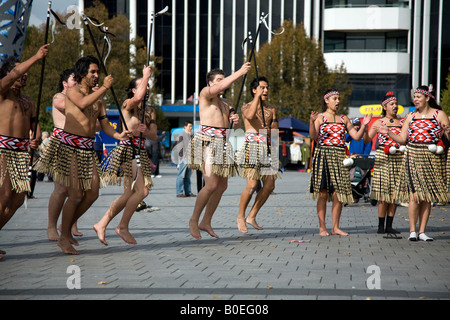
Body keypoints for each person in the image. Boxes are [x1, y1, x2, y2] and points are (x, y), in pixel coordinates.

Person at [53, 56, 130, 255]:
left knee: (93, 193)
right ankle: (64, 237)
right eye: (92, 72)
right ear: (81, 75)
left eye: (98, 72)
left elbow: (104, 125)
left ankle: (67, 228)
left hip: (88, 149)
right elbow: (82, 103)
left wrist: (119, 135)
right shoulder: (72, 91)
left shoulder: (100, 99)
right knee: (76, 194)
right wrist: (104, 88)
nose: (97, 76)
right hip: (70, 147)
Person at [377, 85, 450, 241]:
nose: (415, 99)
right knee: (414, 195)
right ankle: (412, 231)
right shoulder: (410, 116)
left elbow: (447, 139)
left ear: (427, 98)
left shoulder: (439, 114)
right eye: (414, 97)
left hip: (431, 158)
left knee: (426, 196)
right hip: (413, 155)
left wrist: (448, 133)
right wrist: (388, 133)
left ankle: (422, 231)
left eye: (418, 97)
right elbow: (403, 139)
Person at [187, 63, 251, 239]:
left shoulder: (227, 103)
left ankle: (206, 221)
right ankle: (194, 219)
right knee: (212, 184)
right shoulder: (205, 94)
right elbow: (220, 87)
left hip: (223, 143)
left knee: (222, 185)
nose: (222, 83)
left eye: (223, 79)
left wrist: (235, 121)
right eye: (218, 80)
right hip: (207, 142)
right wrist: (239, 72)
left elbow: (234, 125)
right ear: (210, 83)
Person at [94, 65, 156, 246]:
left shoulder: (149, 110)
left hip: (141, 151)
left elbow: (154, 134)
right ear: (135, 90)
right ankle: (114, 225)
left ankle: (111, 224)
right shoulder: (127, 104)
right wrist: (145, 75)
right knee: (133, 191)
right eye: (144, 85)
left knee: (139, 191)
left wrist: (146, 130)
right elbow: (137, 97)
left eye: (148, 85)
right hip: (127, 149)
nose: (148, 88)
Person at [0, 44, 49, 261]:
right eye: (21, 71)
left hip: (21, 153)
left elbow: (34, 123)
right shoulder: (2, 91)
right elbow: (15, 73)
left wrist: (36, 137)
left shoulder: (28, 101)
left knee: (19, 199)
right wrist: (37, 56)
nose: (25, 74)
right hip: (2, 150)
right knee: (3, 197)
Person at [309, 89, 372, 236]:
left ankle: (335, 227)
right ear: (326, 100)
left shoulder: (344, 119)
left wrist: (364, 125)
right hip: (323, 155)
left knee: (339, 193)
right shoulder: (320, 117)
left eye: (339, 99)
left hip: (339, 156)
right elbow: (313, 136)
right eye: (334, 99)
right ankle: (322, 227)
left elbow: (356, 136)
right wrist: (312, 122)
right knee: (323, 193)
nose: (337, 101)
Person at [34, 68, 80, 241]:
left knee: (80, 190)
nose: (77, 83)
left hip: (78, 145)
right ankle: (51, 226)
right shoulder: (59, 97)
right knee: (61, 189)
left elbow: (96, 125)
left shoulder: (80, 99)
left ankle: (69, 224)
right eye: (74, 80)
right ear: (65, 83)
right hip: (61, 144)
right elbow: (64, 106)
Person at [236, 76, 279, 233]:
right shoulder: (246, 106)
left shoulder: (271, 109)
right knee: (252, 185)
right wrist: (256, 97)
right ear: (254, 90)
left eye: (267, 88)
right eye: (262, 88)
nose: (266, 90)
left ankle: (251, 216)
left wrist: (275, 153)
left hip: (267, 148)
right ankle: (241, 216)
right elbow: (249, 116)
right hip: (252, 146)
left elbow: (274, 132)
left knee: (269, 185)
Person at [364, 91, 403, 235]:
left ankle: (389, 225)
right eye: (392, 104)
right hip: (383, 157)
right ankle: (381, 226)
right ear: (385, 107)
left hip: (398, 157)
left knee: (394, 194)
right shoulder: (379, 122)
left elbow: (405, 139)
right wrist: (365, 127)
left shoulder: (402, 122)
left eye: (396, 104)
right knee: (382, 193)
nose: (395, 106)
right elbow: (367, 140)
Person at [175, 121, 195, 197]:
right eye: (189, 126)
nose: (191, 128)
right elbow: (179, 148)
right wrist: (182, 158)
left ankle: (188, 192)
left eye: (191, 126)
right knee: (181, 176)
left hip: (189, 158)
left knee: (187, 176)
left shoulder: (189, 135)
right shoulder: (182, 135)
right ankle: (179, 192)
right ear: (185, 127)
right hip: (184, 158)